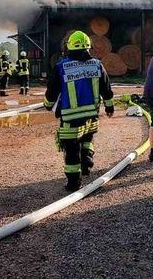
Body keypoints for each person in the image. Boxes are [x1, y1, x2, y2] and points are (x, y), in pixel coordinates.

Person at [44, 30, 114, 191]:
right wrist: (109, 107)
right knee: (87, 139)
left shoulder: (61, 67)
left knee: (71, 148)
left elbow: (52, 91)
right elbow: (106, 88)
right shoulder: (97, 65)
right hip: (92, 115)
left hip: (70, 118)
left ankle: (73, 182)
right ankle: (87, 165)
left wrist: (48, 104)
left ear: (69, 48)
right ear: (88, 48)